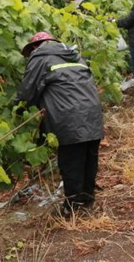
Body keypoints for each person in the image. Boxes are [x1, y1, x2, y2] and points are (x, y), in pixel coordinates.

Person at [17, 32, 104, 217]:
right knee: (89, 158)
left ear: (35, 47)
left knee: (70, 162)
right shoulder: (75, 55)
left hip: (68, 118)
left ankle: (71, 209)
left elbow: (27, 94)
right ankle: (87, 201)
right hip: (93, 113)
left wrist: (17, 111)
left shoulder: (39, 58)